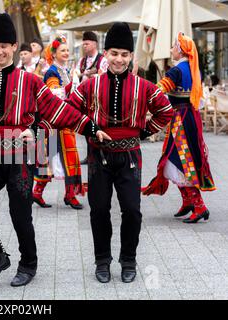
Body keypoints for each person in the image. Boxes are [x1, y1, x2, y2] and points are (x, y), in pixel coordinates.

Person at [0, 13, 110, 287]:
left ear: (14, 47)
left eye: (5, 45)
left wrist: (89, 126)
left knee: (20, 214)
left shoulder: (31, 82)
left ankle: (28, 264)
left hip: (21, 155)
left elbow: (59, 111)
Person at [67, 22, 173, 284]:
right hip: (98, 156)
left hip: (130, 158)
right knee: (99, 209)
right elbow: (69, 109)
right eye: (114, 53)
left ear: (131, 57)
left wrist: (145, 132)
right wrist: (90, 129)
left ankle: (129, 260)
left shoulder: (145, 87)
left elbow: (166, 111)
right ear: (106, 54)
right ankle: (102, 261)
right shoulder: (91, 85)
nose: (119, 59)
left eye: (125, 54)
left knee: (132, 211)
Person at [142, 33, 216, 223]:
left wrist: (142, 91)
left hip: (180, 120)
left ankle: (199, 206)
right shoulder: (193, 69)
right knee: (177, 158)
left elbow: (159, 90)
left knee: (180, 159)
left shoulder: (176, 71)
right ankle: (188, 202)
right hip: (190, 117)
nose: (170, 50)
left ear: (181, 49)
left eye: (173, 46)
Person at [33, 36, 86, 210]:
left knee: (64, 157)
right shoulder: (51, 72)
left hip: (64, 119)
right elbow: (54, 95)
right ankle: (38, 192)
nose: (66, 53)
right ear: (54, 53)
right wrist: (71, 87)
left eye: (67, 50)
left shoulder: (64, 70)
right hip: (53, 122)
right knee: (49, 159)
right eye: (62, 50)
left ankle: (69, 194)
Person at [77, 31, 109, 165]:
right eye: (83, 44)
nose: (84, 46)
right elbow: (77, 75)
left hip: (100, 98)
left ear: (95, 44)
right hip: (85, 98)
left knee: (100, 126)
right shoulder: (81, 61)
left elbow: (105, 76)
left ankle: (103, 153)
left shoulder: (103, 59)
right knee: (86, 125)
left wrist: (91, 76)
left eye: (87, 43)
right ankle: (90, 155)